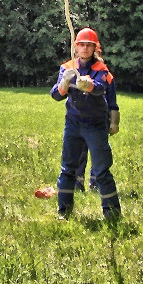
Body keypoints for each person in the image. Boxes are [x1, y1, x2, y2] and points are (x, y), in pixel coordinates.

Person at [52, 28, 121, 221]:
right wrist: (64, 84)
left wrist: (88, 85)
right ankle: (64, 212)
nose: (85, 48)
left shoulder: (101, 69)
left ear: (94, 48)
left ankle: (112, 214)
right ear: (76, 47)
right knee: (67, 169)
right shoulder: (67, 67)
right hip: (73, 123)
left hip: (95, 125)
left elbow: (100, 88)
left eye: (89, 45)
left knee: (101, 171)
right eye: (81, 45)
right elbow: (56, 95)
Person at [74, 68, 119, 190]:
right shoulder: (80, 72)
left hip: (100, 119)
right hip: (80, 118)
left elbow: (112, 101)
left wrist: (114, 122)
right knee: (80, 151)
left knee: (98, 152)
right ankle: (77, 182)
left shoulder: (107, 76)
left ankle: (96, 182)